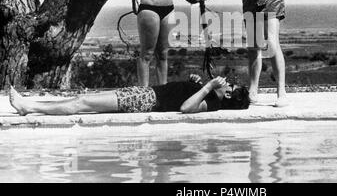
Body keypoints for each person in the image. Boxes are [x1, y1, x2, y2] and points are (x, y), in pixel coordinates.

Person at [9, 75, 250, 116]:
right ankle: (31, 105)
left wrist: (207, 87)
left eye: (231, 85)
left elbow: (186, 108)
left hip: (145, 101)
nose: (228, 81)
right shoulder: (208, 97)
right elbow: (182, 96)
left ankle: (29, 107)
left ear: (228, 94)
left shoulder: (214, 103)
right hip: (146, 93)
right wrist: (195, 84)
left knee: (83, 103)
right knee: (84, 101)